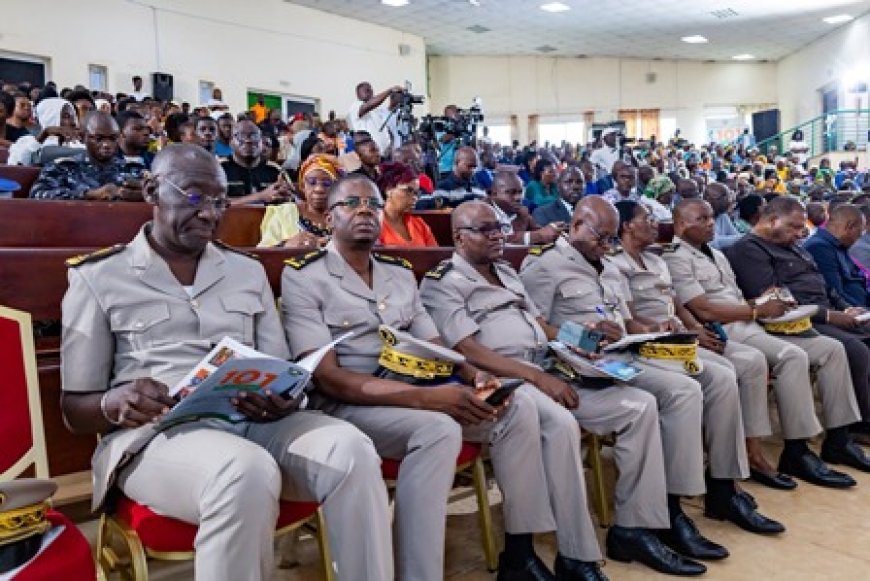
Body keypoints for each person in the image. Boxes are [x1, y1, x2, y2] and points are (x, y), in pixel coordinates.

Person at [59, 144, 392, 581]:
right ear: (152, 190)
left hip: (254, 421)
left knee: (351, 448)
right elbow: (74, 409)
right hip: (155, 438)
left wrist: (284, 397)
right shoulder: (99, 277)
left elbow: (279, 367)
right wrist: (114, 402)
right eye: (195, 197)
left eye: (219, 201)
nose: (210, 214)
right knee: (241, 471)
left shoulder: (245, 271)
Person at [281, 174, 609, 580]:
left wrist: (476, 379)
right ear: (329, 217)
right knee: (439, 429)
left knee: (515, 405)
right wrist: (429, 397)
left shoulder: (400, 274)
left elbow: (439, 346)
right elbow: (330, 379)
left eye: (372, 203)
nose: (364, 209)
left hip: (428, 387)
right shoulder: (303, 275)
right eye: (351, 203)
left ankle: (519, 553)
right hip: (355, 402)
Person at [419, 201, 711, 577]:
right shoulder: (442, 282)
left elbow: (541, 325)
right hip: (507, 378)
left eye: (500, 228)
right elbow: (468, 350)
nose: (498, 236)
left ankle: (635, 527)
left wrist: (586, 339)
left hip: (549, 364)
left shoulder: (507, 272)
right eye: (486, 229)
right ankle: (576, 554)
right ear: (459, 236)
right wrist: (539, 378)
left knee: (638, 406)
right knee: (561, 426)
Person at [520, 195, 781, 560]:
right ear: (576, 224)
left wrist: (652, 329)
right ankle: (669, 511)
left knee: (718, 378)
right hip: (580, 363)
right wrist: (585, 336)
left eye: (612, 238)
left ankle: (721, 488)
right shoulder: (544, 266)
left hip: (624, 354)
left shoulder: (606, 265)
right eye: (601, 236)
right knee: (683, 391)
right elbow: (536, 326)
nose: (607, 245)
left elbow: (627, 322)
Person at [610, 199, 788, 529]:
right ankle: (695, 494)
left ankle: (724, 485)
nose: (655, 224)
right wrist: (665, 329)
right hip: (647, 346)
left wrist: (693, 328)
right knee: (718, 376)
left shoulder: (655, 258)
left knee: (732, 370)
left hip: (677, 340)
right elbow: (629, 317)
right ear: (627, 227)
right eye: (647, 219)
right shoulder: (615, 264)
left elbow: (676, 305)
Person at [664, 199, 861, 489]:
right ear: (680, 224)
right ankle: (795, 450)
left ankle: (838, 438)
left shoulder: (716, 255)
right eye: (702, 218)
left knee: (831, 349)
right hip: (726, 328)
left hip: (750, 322)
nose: (710, 223)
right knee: (791, 356)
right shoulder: (676, 256)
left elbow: (734, 298)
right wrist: (757, 310)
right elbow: (705, 309)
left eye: (710, 217)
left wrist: (764, 301)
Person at [725, 198, 870, 448]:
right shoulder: (748, 249)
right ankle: (856, 427)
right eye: (793, 227)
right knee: (854, 349)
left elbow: (822, 284)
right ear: (772, 221)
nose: (799, 233)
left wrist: (844, 307)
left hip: (822, 310)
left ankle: (843, 436)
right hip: (792, 322)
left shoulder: (793, 246)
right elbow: (775, 301)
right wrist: (828, 315)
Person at [30, 112, 143, 201]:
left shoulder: (132, 169)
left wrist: (139, 195)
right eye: (98, 139)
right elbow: (37, 194)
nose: (106, 145)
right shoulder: (64, 167)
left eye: (113, 138)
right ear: (83, 137)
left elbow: (156, 192)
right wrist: (90, 195)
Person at [259, 153, 339, 248]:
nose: (319, 189)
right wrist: (286, 245)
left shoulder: (344, 215)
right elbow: (263, 252)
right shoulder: (283, 213)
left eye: (327, 183)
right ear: (302, 186)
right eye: (312, 182)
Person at [804, 203, 870, 308]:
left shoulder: (840, 245)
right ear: (850, 227)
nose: (861, 236)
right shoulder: (819, 248)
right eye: (861, 231)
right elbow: (836, 295)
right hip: (852, 313)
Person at [220, 120, 289, 205]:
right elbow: (212, 205)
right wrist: (261, 196)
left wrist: (286, 197)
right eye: (241, 136)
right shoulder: (219, 169)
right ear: (231, 142)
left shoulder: (275, 170)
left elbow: (293, 200)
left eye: (254, 136)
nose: (248, 141)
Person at [489, 169, 562, 245]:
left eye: (520, 192)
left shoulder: (522, 212)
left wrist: (554, 231)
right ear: (494, 194)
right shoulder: (481, 213)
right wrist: (535, 236)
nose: (518, 198)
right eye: (511, 192)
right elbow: (495, 241)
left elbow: (541, 233)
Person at [376, 161, 437, 247]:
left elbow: (436, 256)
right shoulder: (375, 224)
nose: (414, 197)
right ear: (388, 189)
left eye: (416, 193)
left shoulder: (420, 224)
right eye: (408, 191)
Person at [7, 97, 82, 166]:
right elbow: (17, 167)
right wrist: (45, 134)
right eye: (66, 117)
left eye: (73, 117)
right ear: (49, 117)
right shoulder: (26, 142)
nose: (73, 123)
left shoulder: (77, 144)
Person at [419, 146, 485, 209]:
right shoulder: (444, 186)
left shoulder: (478, 185)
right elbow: (439, 207)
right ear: (457, 163)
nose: (472, 170)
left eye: (475, 167)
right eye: (469, 166)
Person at [347, 81, 400, 156]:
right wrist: (390, 91)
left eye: (371, 90)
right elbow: (369, 105)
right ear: (358, 94)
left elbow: (386, 129)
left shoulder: (376, 110)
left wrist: (390, 144)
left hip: (385, 154)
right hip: (369, 155)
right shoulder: (355, 107)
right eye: (367, 90)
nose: (370, 92)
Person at [705, 182, 742, 249]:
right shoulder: (700, 215)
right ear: (708, 199)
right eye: (724, 198)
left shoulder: (722, 215)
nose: (729, 201)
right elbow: (713, 243)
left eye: (728, 197)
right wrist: (750, 236)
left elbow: (736, 236)